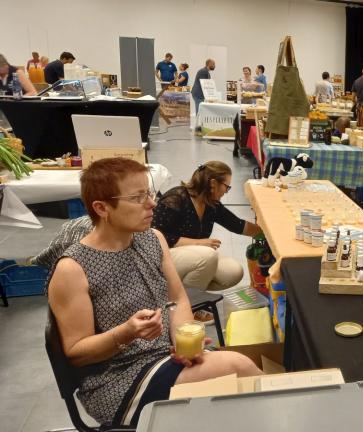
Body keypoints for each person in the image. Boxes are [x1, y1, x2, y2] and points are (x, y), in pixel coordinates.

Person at [47, 157, 262, 427]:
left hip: (162, 354)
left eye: (149, 193)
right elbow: (77, 352)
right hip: (117, 380)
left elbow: (177, 298)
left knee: (237, 388)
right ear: (102, 208)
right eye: (138, 197)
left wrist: (185, 340)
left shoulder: (153, 239)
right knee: (237, 369)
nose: (152, 203)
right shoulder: (72, 269)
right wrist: (126, 333)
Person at [151, 161, 261, 313]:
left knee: (233, 272)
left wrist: (266, 233)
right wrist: (198, 243)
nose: (226, 191)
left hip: (193, 257)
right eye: (226, 187)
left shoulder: (211, 204)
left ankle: (178, 293)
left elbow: (237, 225)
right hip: (163, 257)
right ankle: (187, 309)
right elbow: (157, 237)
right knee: (208, 256)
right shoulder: (176, 199)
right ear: (214, 183)